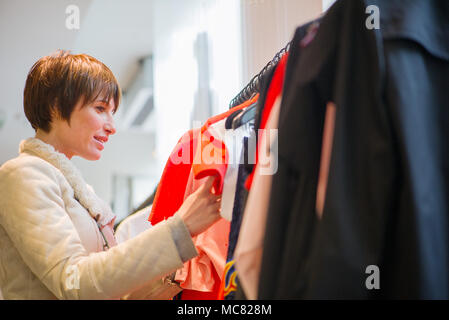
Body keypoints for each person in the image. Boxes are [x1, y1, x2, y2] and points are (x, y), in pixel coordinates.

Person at [0, 50, 222, 299]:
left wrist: (174, 275)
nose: (112, 126)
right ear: (55, 105)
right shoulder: (23, 174)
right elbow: (74, 284)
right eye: (100, 108)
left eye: (112, 112)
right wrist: (179, 230)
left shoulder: (80, 192)